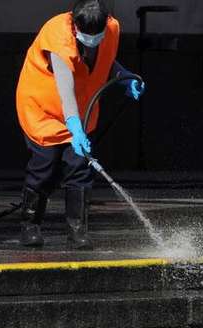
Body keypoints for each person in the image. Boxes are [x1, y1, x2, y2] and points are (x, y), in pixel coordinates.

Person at [15, 0, 146, 250]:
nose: (93, 40)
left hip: (82, 107)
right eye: (87, 35)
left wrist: (123, 78)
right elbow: (65, 90)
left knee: (80, 167)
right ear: (75, 25)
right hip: (43, 109)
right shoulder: (57, 35)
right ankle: (30, 227)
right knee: (44, 167)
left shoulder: (111, 28)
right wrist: (74, 128)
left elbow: (105, 60)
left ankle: (77, 232)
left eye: (98, 34)